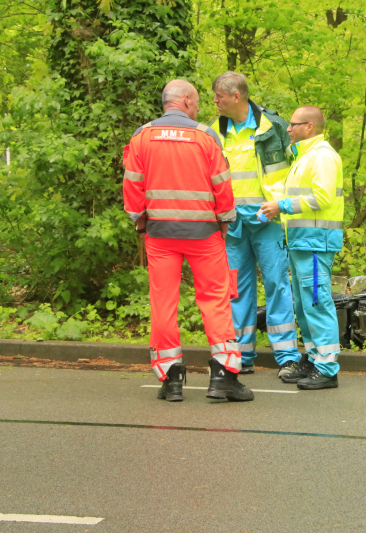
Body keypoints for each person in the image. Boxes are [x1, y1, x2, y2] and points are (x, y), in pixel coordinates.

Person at [122, 79, 253, 402]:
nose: (198, 108)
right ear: (185, 100)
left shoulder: (142, 137)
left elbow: (132, 187)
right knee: (216, 300)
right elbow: (222, 186)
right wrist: (224, 222)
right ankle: (223, 376)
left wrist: (140, 221)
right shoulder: (205, 137)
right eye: (196, 102)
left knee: (163, 302)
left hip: (160, 234)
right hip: (204, 235)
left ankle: (171, 378)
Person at [208, 72, 303, 378]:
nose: (214, 101)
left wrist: (283, 206)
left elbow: (298, 168)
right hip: (232, 222)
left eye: (219, 96)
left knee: (277, 284)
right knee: (237, 290)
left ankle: (287, 356)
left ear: (237, 96)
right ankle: (241, 355)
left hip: (268, 220)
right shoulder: (213, 131)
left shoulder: (274, 127)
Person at [260, 106, 344, 390]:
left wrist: (280, 205)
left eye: (293, 124)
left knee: (317, 302)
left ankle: (328, 368)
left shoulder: (322, 157)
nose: (287, 129)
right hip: (302, 242)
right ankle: (314, 357)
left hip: (316, 243)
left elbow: (321, 197)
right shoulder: (305, 156)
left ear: (308, 127)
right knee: (305, 304)